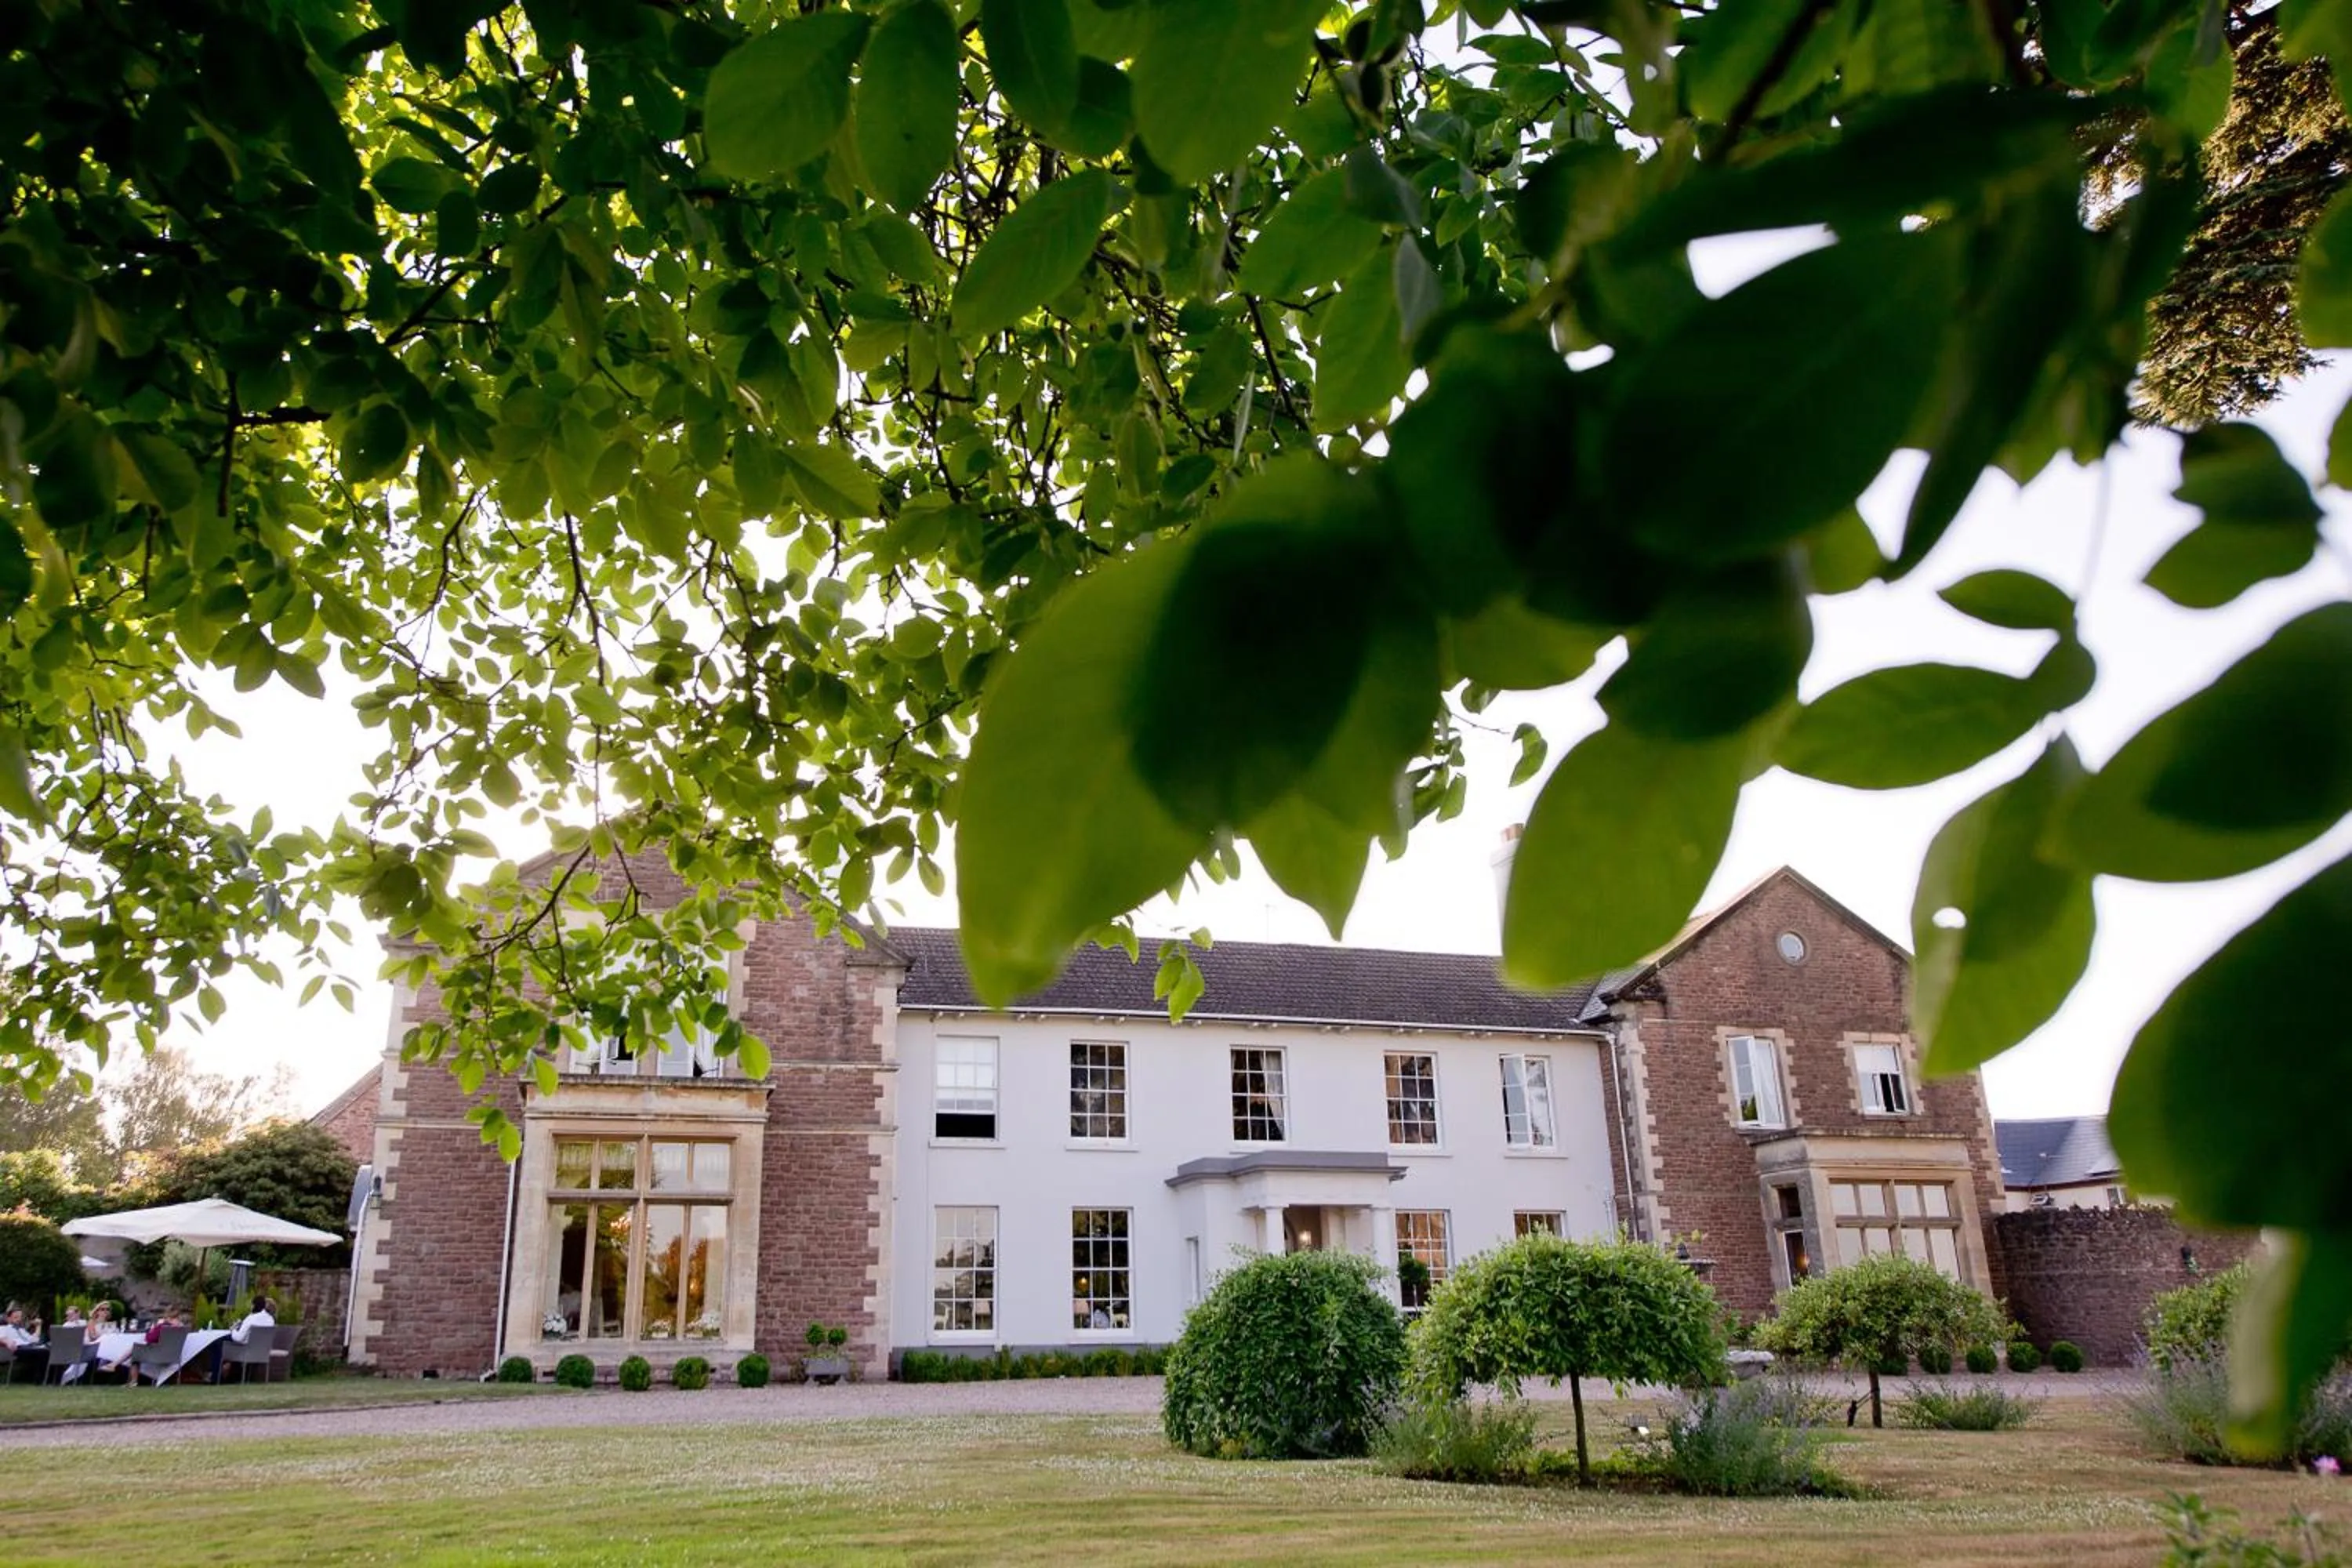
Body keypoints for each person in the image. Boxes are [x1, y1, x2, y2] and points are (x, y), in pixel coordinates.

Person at [1, 1306, 49, 1385]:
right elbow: (1, 1337)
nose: (19, 1319)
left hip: (29, 1347)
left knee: (48, 1351)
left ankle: (48, 1380)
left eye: (20, 1317)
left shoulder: (22, 1330)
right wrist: (7, 1341)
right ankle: (40, 1381)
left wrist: (38, 1326)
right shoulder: (4, 1328)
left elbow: (34, 1340)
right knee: (44, 1352)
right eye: (16, 1317)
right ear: (8, 1319)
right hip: (17, 1348)